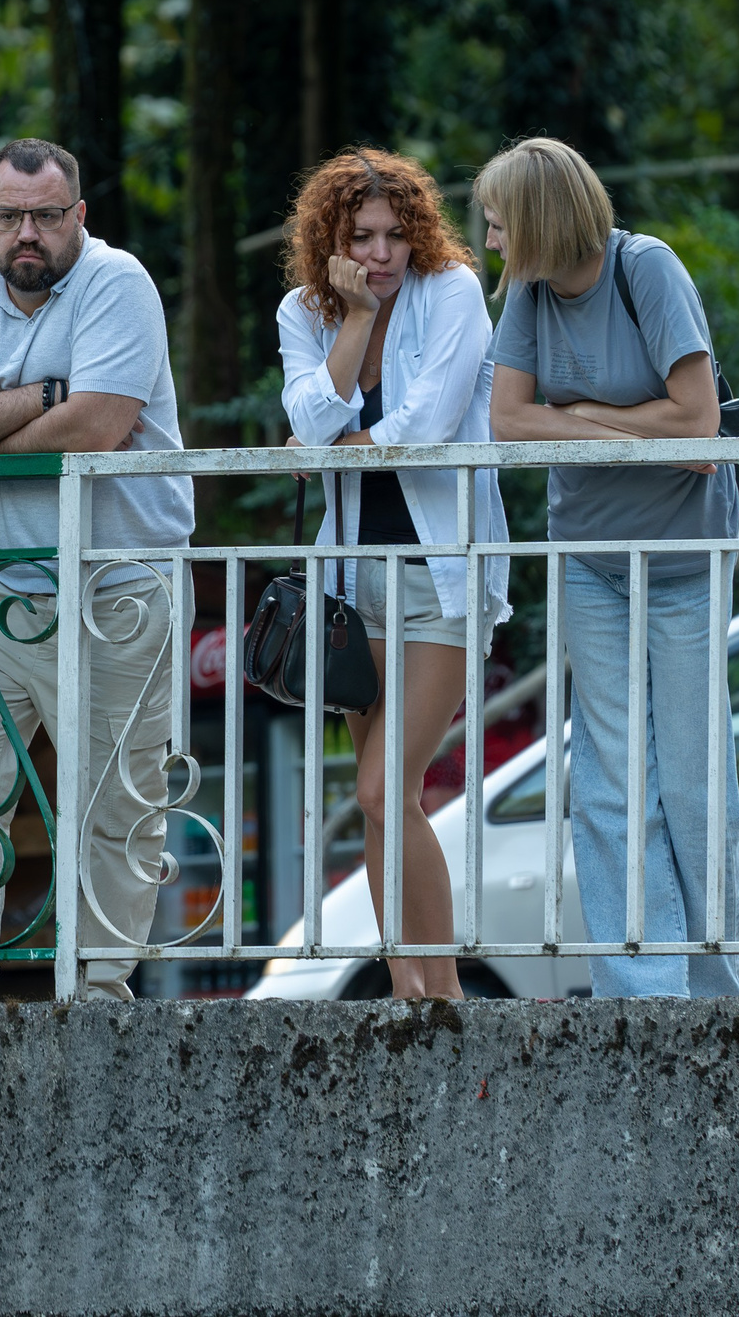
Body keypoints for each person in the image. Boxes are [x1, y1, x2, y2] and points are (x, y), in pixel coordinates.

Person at [0, 138, 191, 1006]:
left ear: (79, 217)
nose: (30, 234)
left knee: (119, 797)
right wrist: (45, 395)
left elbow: (97, 428)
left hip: (117, 586)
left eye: (48, 216)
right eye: (12, 216)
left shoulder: (118, 283)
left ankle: (98, 980)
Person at [479, 135, 739, 999]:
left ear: (538, 224)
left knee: (695, 783)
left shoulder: (649, 269)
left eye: (497, 224)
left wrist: (580, 417)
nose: (488, 242)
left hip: (684, 556)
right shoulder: (526, 295)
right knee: (607, 779)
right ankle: (642, 994)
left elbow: (699, 419)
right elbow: (510, 424)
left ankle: (717, 995)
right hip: (591, 557)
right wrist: (626, 424)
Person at [277, 148, 510, 1000]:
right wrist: (353, 322)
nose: (380, 255)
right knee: (383, 802)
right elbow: (307, 416)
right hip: (351, 586)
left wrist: (334, 447)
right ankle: (405, 990)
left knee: (384, 790)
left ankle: (443, 992)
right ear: (328, 240)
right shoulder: (304, 312)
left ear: (418, 235)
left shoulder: (451, 294)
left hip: (440, 575)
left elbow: (429, 426)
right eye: (360, 237)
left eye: (394, 236)